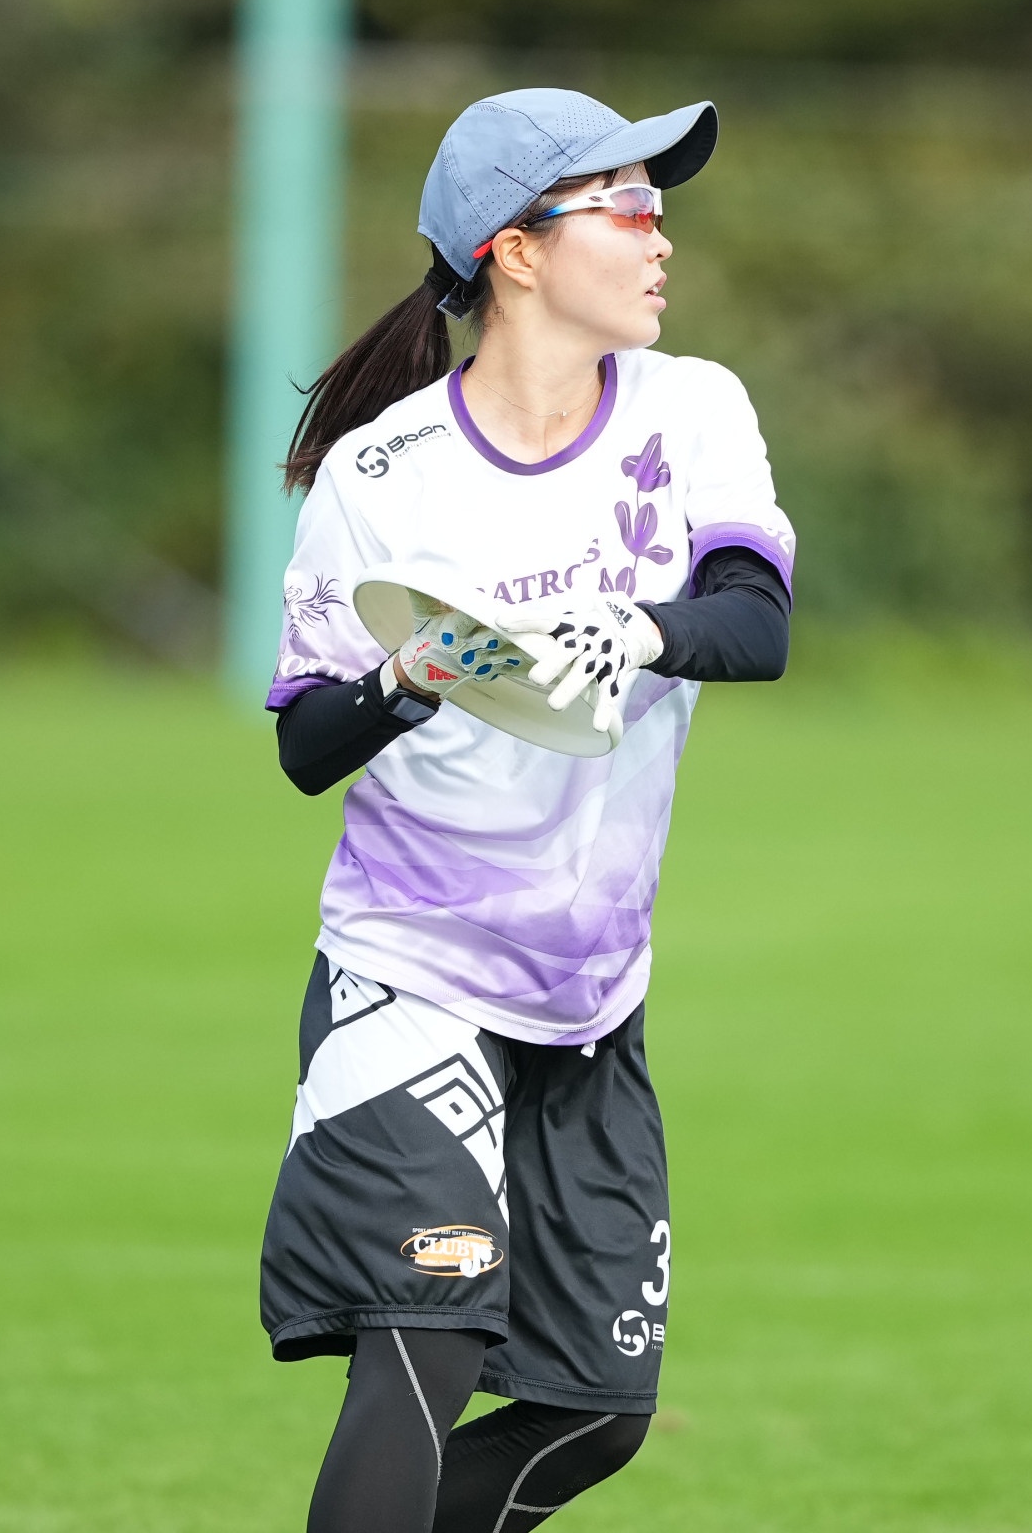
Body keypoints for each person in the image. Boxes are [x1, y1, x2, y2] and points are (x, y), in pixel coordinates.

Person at [259, 89, 795, 1533]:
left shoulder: (694, 408)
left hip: (588, 995)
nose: (661, 235)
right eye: (628, 206)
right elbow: (307, 743)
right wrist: (408, 676)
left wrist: (641, 626)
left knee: (594, 1414)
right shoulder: (383, 475)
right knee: (425, 1340)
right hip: (411, 972)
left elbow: (756, 624)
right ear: (515, 249)